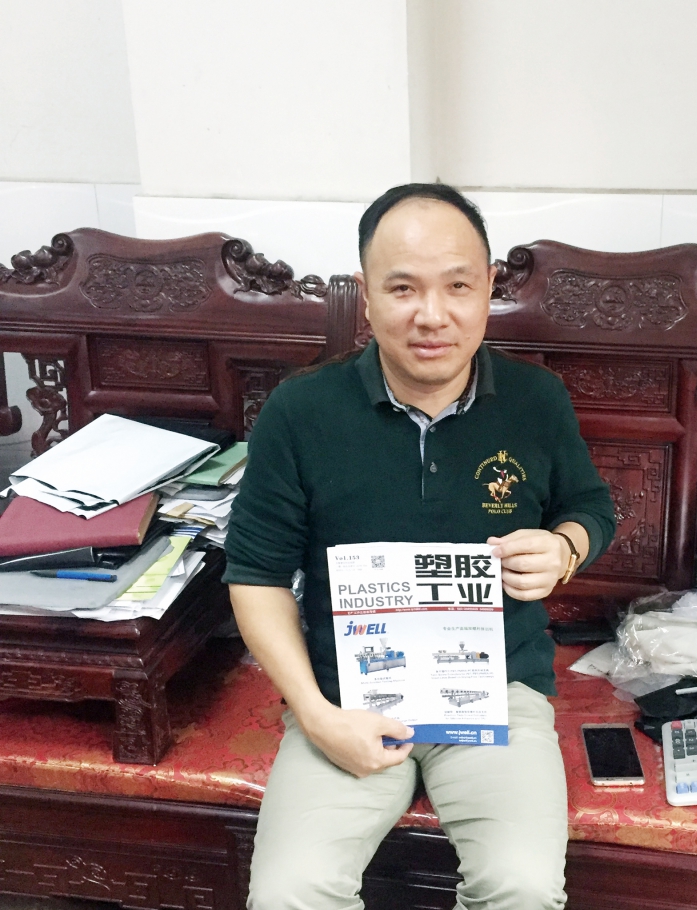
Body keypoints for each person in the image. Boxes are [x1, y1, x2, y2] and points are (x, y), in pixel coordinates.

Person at [224, 183, 616, 910]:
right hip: (345, 695)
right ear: (366, 294)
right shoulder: (300, 411)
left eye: (457, 286)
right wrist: (315, 715)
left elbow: (590, 507)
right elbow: (255, 574)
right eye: (402, 288)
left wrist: (564, 548)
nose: (431, 315)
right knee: (289, 893)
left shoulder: (536, 400)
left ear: (489, 287)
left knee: (522, 886)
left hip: (496, 692)